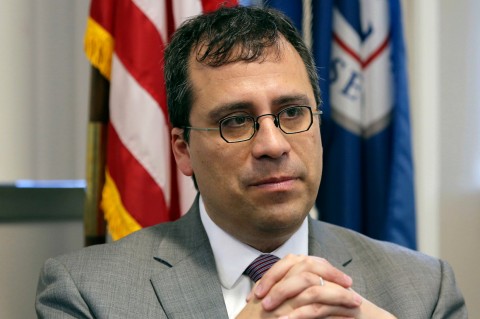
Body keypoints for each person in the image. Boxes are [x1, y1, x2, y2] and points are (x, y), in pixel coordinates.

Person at [36, 6, 467, 319]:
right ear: (182, 149)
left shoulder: (423, 290)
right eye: (236, 121)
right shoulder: (86, 294)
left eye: (293, 112)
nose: (273, 144)